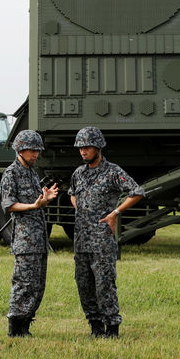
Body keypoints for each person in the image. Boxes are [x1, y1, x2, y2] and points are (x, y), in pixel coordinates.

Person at [69, 126, 145, 338]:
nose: (83, 151)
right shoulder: (78, 173)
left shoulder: (113, 172)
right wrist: (81, 209)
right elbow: (71, 193)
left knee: (104, 285)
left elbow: (137, 191)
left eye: (88, 147)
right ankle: (95, 328)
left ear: (99, 147)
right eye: (80, 147)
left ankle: (112, 329)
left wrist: (116, 212)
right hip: (81, 240)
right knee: (84, 285)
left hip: (102, 241)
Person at [0, 129, 59, 337]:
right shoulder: (11, 173)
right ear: (20, 150)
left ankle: (25, 326)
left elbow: (36, 203)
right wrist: (34, 206)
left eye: (37, 151)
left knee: (37, 285)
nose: (35, 154)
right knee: (23, 284)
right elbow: (9, 205)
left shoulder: (32, 173)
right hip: (25, 241)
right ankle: (15, 329)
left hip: (39, 239)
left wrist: (44, 199)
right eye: (31, 150)